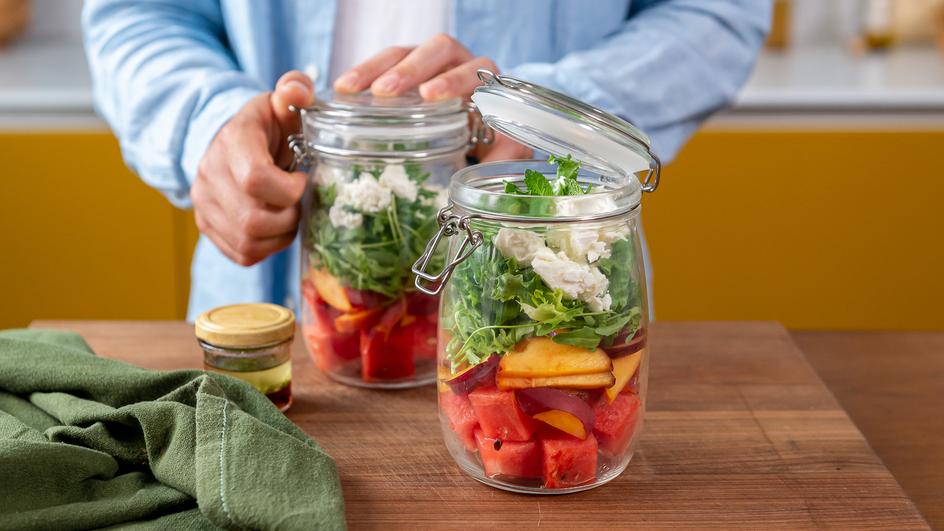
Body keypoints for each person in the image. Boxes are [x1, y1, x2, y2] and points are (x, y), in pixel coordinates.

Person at [83, 1, 771, 320]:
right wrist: (203, 126)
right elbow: (136, 12)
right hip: (266, 298)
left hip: (555, 281)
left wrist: (546, 114)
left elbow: (718, 11)